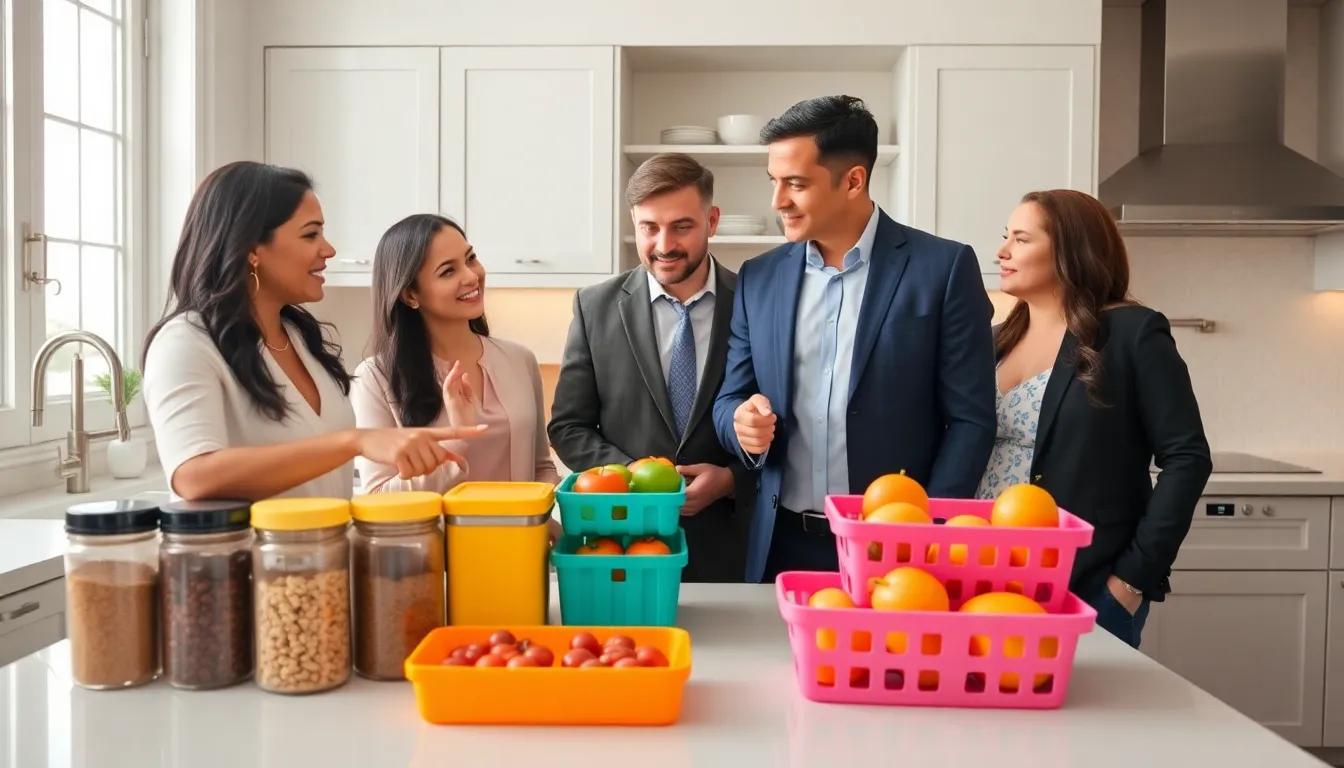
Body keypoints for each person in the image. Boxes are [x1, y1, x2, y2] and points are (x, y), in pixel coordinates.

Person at [713, 95, 998, 584]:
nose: (777, 200)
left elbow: (971, 420)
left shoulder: (943, 269)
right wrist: (741, 426)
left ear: (853, 181)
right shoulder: (757, 279)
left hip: (899, 551)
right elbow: (729, 399)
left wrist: (928, 529)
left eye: (796, 184)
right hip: (779, 547)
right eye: (774, 182)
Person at [142, 162, 487, 502]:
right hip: (242, 559)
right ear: (252, 250)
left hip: (322, 554)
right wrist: (354, 441)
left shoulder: (298, 337)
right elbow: (192, 476)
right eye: (311, 234)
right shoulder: (185, 343)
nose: (329, 249)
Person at [978, 189, 1212, 648]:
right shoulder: (993, 340)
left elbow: (1187, 458)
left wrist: (1131, 580)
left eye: (1021, 239)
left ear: (1070, 250)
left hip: (1083, 580)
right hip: (986, 575)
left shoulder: (1131, 333)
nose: (1002, 252)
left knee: (1080, 719)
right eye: (1005, 238)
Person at [548, 153, 753, 582]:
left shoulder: (755, 301)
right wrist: (639, 485)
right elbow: (568, 427)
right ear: (633, 223)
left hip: (732, 550)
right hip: (622, 547)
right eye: (649, 227)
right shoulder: (594, 307)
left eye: (682, 226)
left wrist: (732, 479)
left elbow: (784, 425)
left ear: (712, 221)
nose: (664, 245)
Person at [350, 213, 560, 497]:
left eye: (470, 258)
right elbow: (378, 498)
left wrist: (544, 522)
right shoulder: (374, 378)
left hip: (520, 539)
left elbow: (541, 468)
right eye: (448, 271)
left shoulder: (519, 360)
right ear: (410, 294)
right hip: (434, 542)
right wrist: (457, 438)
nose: (471, 276)